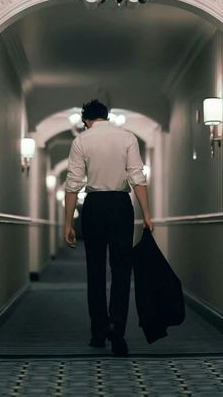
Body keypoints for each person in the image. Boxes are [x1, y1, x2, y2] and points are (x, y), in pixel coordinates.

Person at [64, 99, 153, 356]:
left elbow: (73, 184)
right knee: (122, 269)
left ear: (86, 120)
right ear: (107, 116)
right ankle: (118, 332)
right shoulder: (127, 137)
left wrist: (67, 222)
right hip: (120, 206)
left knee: (96, 270)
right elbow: (137, 177)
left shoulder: (81, 140)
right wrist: (146, 214)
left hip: (94, 206)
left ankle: (98, 332)